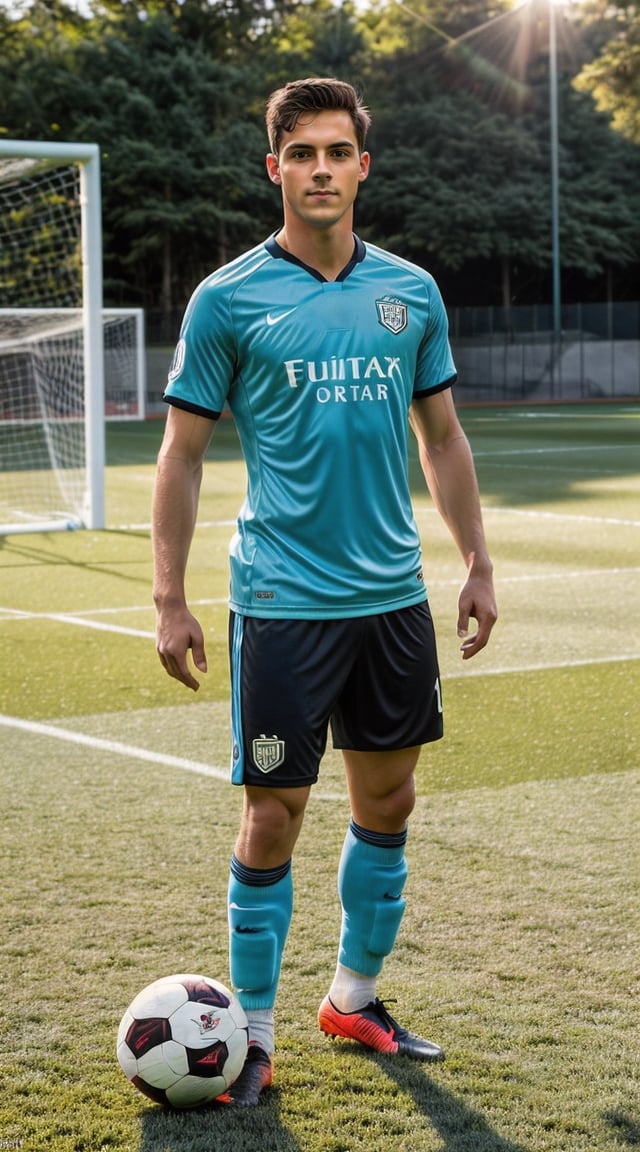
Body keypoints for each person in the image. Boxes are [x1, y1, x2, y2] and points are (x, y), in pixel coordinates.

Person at [152, 76, 497, 1107]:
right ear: (275, 168)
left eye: (337, 151)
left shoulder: (410, 293)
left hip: (390, 598)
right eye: (300, 152)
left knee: (389, 801)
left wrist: (477, 562)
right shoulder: (227, 299)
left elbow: (442, 437)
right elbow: (180, 455)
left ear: (361, 166)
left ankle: (352, 997)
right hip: (282, 601)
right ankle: (251, 1037)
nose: (319, 169)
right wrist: (168, 598)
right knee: (273, 813)